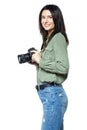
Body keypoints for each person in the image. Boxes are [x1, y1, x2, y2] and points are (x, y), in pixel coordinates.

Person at [31, 4, 69, 130]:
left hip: (53, 95)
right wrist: (37, 62)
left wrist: (41, 61)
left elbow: (63, 67)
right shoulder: (48, 39)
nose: (45, 21)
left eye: (49, 17)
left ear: (56, 19)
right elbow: (52, 66)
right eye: (43, 17)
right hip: (51, 96)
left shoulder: (58, 37)